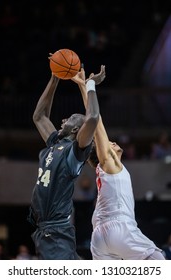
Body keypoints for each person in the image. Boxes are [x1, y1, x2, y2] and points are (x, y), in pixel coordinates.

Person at [75, 65, 165, 260]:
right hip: (120, 229)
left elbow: (92, 121)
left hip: (98, 238)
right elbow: (96, 121)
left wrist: (83, 86)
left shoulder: (106, 170)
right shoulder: (110, 166)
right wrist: (90, 86)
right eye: (109, 143)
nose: (112, 142)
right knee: (159, 261)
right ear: (103, 152)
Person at [28, 61, 103, 260]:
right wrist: (54, 78)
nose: (63, 120)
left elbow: (93, 118)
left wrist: (90, 86)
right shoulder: (55, 143)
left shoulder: (75, 152)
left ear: (78, 130)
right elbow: (39, 116)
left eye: (69, 118)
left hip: (55, 231)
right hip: (47, 230)